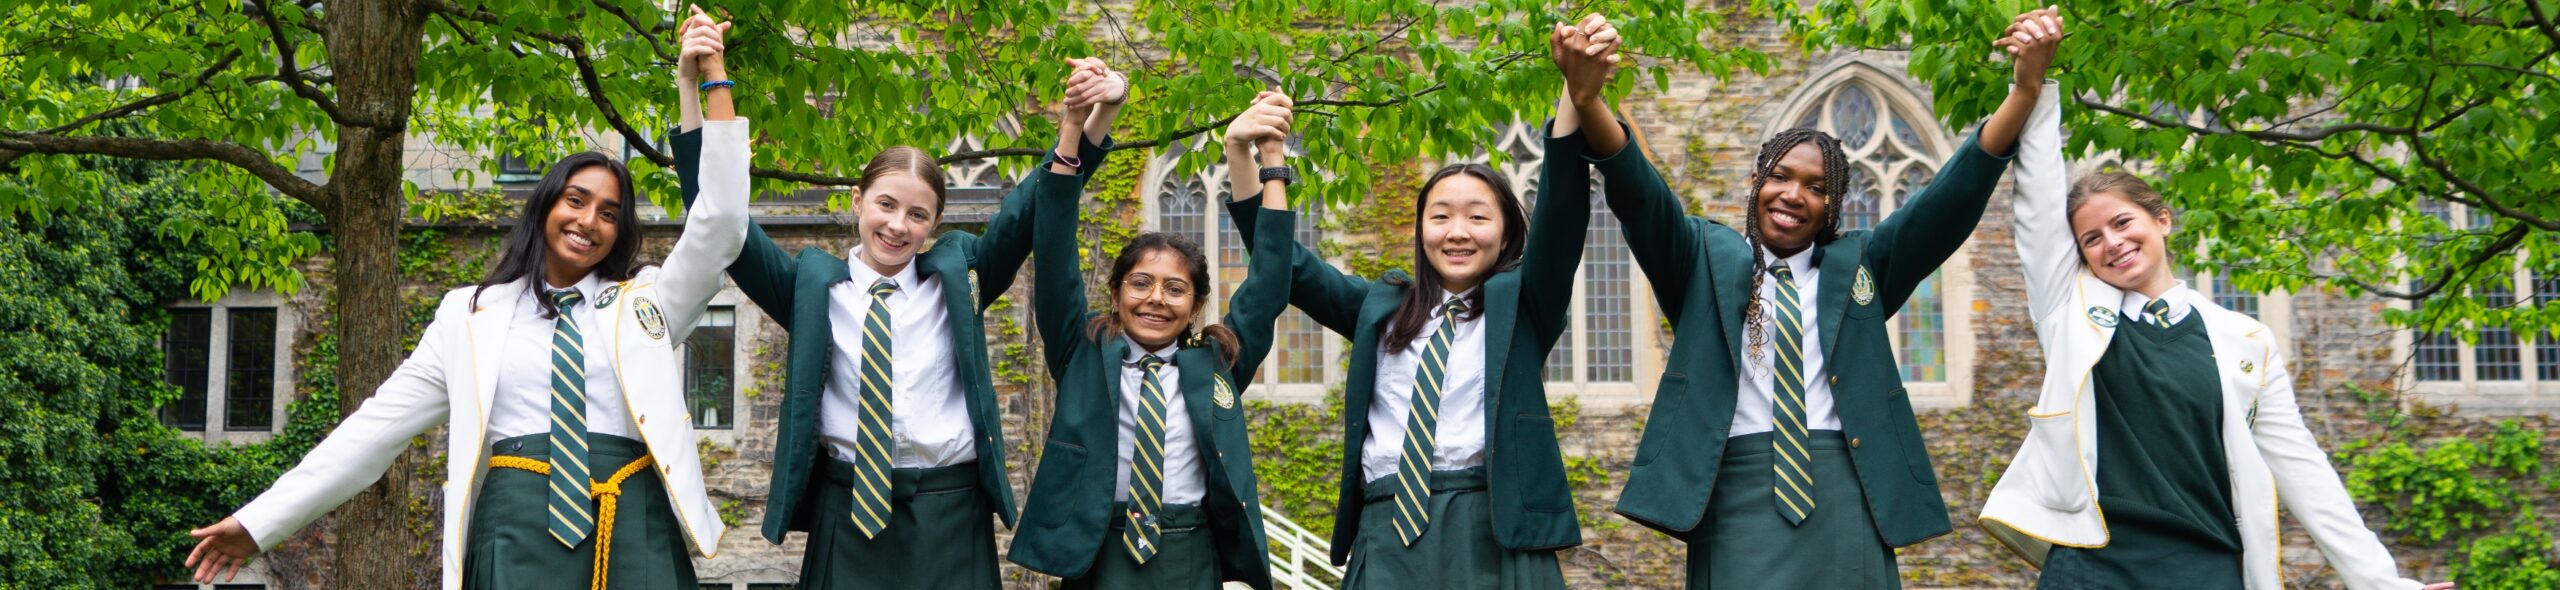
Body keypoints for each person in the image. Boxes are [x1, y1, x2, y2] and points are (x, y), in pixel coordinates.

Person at [182, 8, 748, 588]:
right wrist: (258, 523)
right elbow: (372, 431)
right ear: (545, 206)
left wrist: (703, 79)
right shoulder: (468, 316)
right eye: (575, 201)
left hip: (634, 527)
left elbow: (721, 222)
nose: (589, 221)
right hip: (515, 531)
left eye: (609, 212)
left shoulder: (648, 302)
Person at [1568, 8, 2054, 588]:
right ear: (1755, 182)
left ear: (1835, 204)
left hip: (1847, 486)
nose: (1793, 194)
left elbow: (1948, 202)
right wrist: (1588, 97)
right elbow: (1638, 192)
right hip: (1737, 490)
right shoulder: (1700, 258)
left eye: (1817, 187)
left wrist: (2024, 91)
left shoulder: (1859, 267)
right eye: (1780, 176)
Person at [1981, 19, 2452, 587]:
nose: (2112, 243)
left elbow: (2305, 472)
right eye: (2092, 238)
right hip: (2095, 565)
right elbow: (2036, 209)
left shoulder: (2245, 342)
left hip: (2207, 566)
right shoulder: (2070, 312)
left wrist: (2385, 583)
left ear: (2162, 220)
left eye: (2123, 222)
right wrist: (2034, 84)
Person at [664, 42, 1127, 590]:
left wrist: (1099, 110)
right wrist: (698, 85)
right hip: (848, 511)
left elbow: (1036, 203)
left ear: (934, 223)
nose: (898, 226)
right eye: (886, 204)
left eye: (917, 214)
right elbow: (719, 217)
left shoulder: (961, 277)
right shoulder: (810, 287)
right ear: (858, 200)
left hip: (951, 514)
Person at [1006, 93, 1297, 589]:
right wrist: (1072, 132)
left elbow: (1269, 281)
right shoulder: (1082, 354)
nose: (1156, 299)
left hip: (1191, 555)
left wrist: (1272, 161)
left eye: (1175, 288)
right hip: (1100, 551)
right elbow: (1053, 254)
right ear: (1116, 293)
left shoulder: (1217, 364)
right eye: (1140, 283)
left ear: (1196, 305)